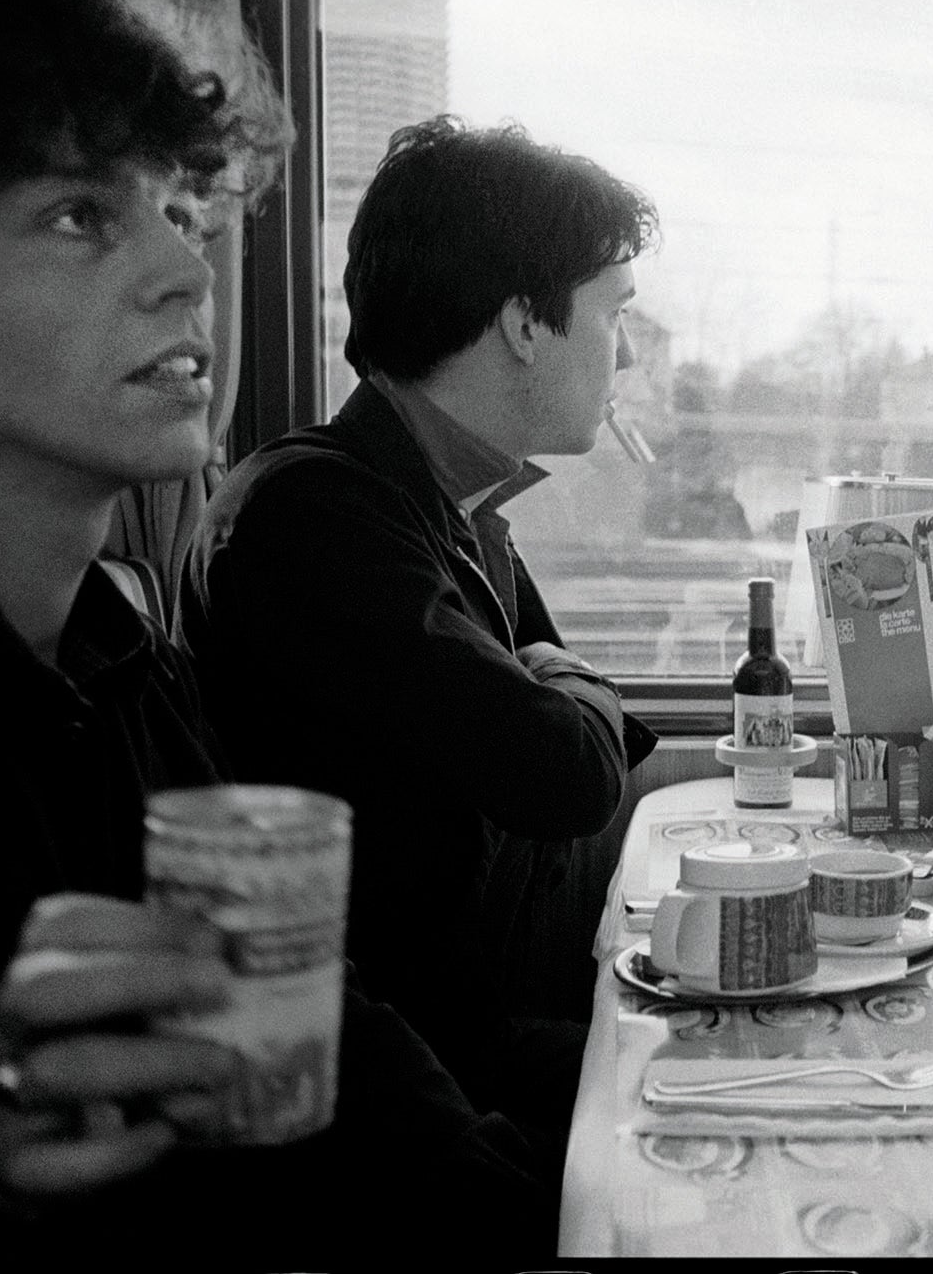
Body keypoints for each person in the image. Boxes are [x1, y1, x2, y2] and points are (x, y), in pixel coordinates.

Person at [0, 0, 548, 1258]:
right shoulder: (314, 513)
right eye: (80, 214)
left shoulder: (121, 654)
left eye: (186, 208)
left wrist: (519, 1203)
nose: (188, 273)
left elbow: (306, 1010)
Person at [176, 115, 660, 1158]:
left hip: (456, 1029)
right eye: (615, 312)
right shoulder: (317, 515)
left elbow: (595, 731)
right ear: (526, 323)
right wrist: (564, 687)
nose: (627, 351)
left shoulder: (451, 504)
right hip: (396, 1079)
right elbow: (567, 769)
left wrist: (562, 687)